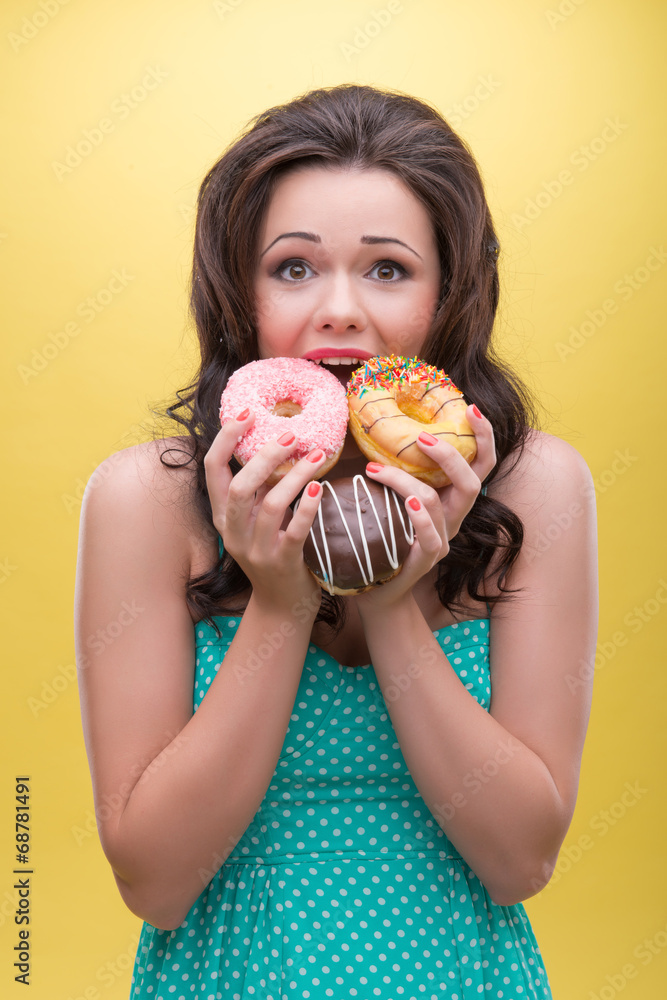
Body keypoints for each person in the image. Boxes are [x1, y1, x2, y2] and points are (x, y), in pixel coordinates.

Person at [74, 83, 598, 999]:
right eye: (293, 268)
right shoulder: (147, 502)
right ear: (237, 294)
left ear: (450, 294)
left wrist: (390, 603)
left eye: (388, 269)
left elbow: (519, 862)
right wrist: (281, 602)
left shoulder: (532, 487)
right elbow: (154, 884)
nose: (340, 311)